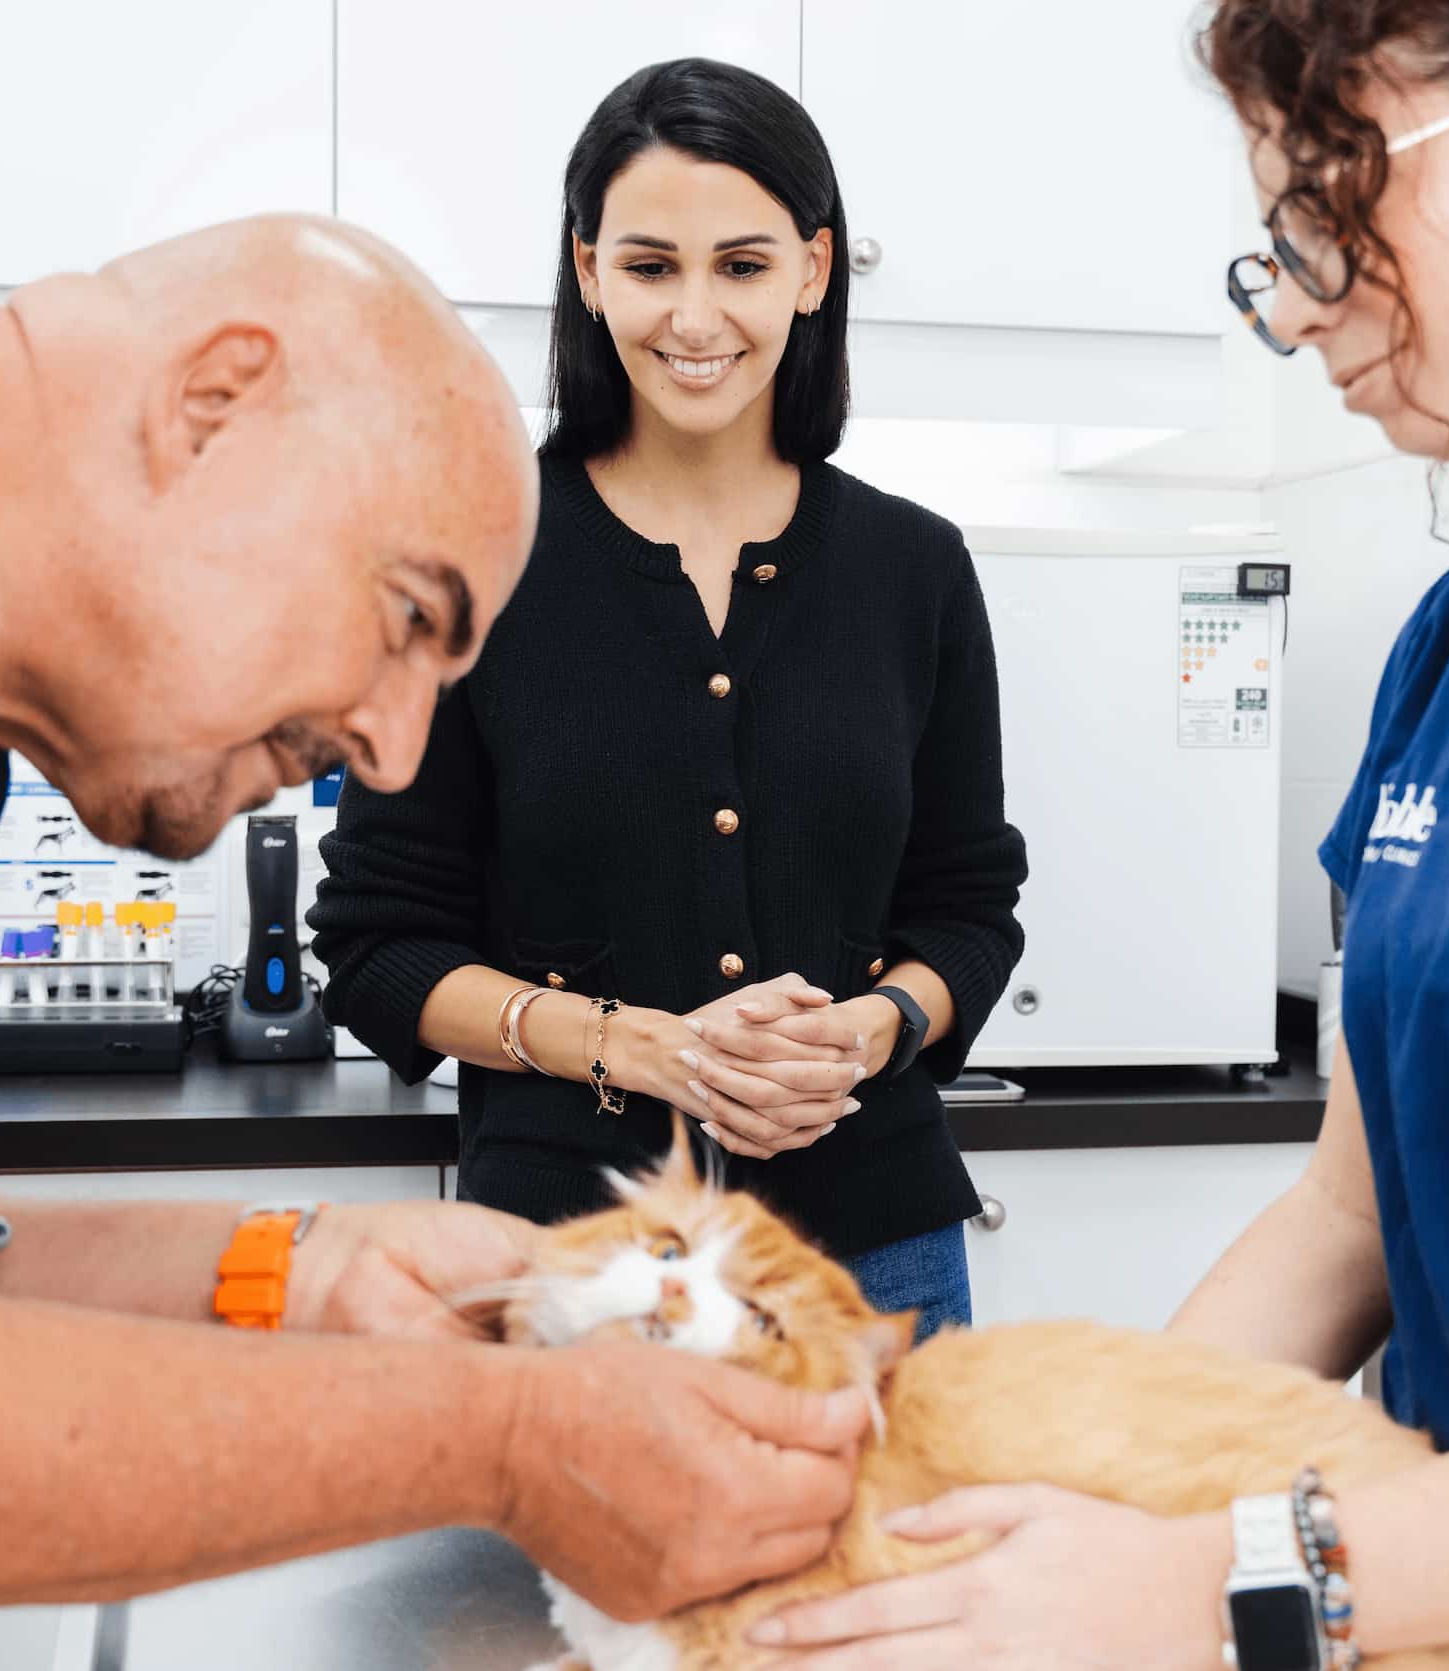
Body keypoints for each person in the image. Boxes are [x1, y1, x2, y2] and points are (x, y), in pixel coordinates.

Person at [749, 2, 1449, 1665]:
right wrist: (1045, 1491)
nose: (1288, 304)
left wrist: (1233, 1579)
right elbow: (1348, 1220)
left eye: (1327, 208)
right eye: (1269, 246)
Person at [0, 217, 867, 1619]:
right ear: (211, 406)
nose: (390, 752)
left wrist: (304, 1264)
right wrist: (505, 1439)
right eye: (406, 614)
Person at [310, 59, 1027, 1338]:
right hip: (570, 1252)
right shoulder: (469, 560)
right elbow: (379, 947)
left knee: (905, 1548)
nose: (696, 316)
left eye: (742, 266)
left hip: (875, 1258)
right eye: (650, 267)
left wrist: (870, 1031)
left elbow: (969, 911)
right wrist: (645, 1051)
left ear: (814, 271)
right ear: (587, 272)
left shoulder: (915, 568)